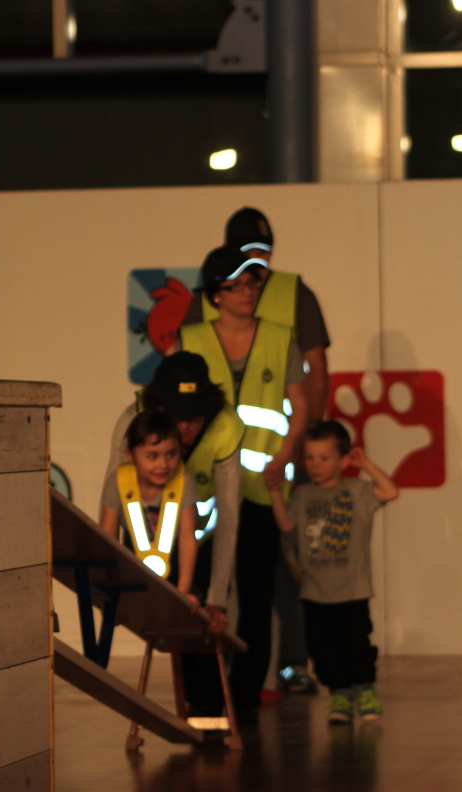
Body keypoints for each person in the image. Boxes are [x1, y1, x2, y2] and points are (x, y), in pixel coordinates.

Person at [186, 207, 333, 692]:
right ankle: (208, 693)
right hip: (209, 481)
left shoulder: (292, 297)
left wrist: (302, 448)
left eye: (265, 255)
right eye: (249, 257)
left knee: (275, 575)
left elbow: (314, 376)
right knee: (204, 581)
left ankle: (284, 670)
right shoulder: (195, 320)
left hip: (269, 474)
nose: (258, 272)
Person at [179, 244, 308, 723]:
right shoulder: (190, 339)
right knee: (196, 593)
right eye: (238, 284)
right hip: (203, 489)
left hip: (261, 487)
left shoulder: (280, 337)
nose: (248, 291)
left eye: (253, 282)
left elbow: (300, 408)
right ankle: (203, 698)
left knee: (256, 595)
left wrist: (285, 456)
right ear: (216, 293)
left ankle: (246, 696)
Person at [105, 352, 240, 715]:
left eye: (194, 417)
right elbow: (113, 506)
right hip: (147, 535)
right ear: (157, 405)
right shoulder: (132, 421)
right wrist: (113, 585)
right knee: (167, 616)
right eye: (176, 417)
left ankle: (208, 710)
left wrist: (217, 598)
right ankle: (192, 705)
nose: (185, 428)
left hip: (197, 533)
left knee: (204, 614)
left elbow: (228, 517)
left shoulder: (226, 425)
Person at [267, 421, 399, 722]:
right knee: (321, 648)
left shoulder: (357, 491)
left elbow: (390, 491)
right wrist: (274, 492)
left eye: (324, 458)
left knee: (356, 645)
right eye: (310, 457)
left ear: (343, 460)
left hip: (353, 590)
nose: (315, 465)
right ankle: (339, 694)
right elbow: (288, 528)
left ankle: (364, 690)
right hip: (315, 592)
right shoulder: (302, 494)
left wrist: (366, 465)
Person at [100, 411, 201, 611]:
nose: (163, 464)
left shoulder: (183, 480)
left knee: (189, 607)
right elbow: (108, 538)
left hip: (175, 574)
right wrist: (112, 587)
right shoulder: (118, 481)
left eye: (171, 454)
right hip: (131, 576)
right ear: (130, 455)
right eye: (153, 456)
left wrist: (182, 592)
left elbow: (187, 538)